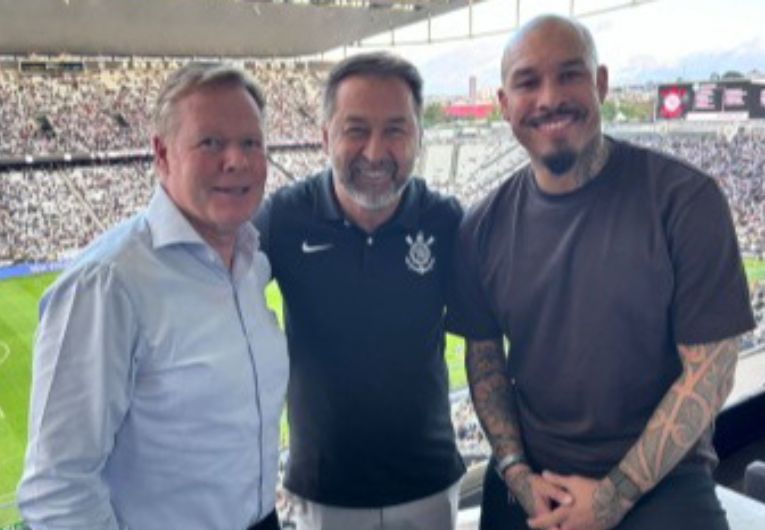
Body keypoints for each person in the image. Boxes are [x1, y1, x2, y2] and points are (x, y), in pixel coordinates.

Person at [451, 14, 756, 530]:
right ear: (504, 104)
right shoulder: (482, 225)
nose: (549, 97)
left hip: (664, 476)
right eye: (528, 82)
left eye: (569, 74)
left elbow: (713, 368)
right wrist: (519, 473)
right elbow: (484, 364)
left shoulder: (685, 201)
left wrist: (614, 495)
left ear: (601, 84)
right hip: (535, 476)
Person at [17, 63, 288, 530]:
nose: (236, 161)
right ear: (162, 155)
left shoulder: (250, 264)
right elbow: (57, 488)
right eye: (211, 143)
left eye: (251, 143)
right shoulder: (108, 284)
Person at [255, 52, 465, 530]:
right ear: (325, 135)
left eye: (395, 129)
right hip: (325, 488)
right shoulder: (284, 218)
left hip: (428, 482)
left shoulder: (446, 221)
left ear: (418, 137)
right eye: (356, 129)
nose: (374, 151)